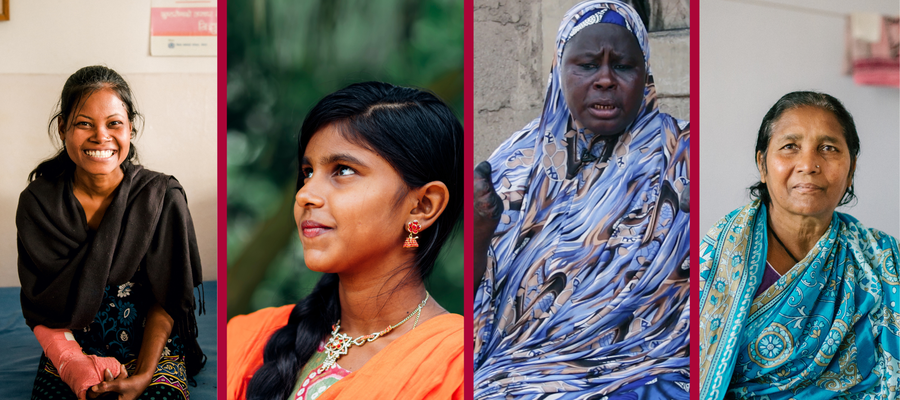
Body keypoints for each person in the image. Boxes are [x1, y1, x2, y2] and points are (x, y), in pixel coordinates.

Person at [472, 1, 690, 398]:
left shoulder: (681, 158)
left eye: (622, 66)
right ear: (559, 71)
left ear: (645, 74)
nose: (605, 80)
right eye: (588, 65)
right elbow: (470, 301)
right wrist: (479, 232)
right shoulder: (517, 163)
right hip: (514, 373)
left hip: (645, 371)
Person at [226, 81, 464, 400]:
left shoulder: (460, 362)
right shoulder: (247, 337)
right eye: (308, 172)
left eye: (343, 170)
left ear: (423, 205)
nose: (305, 194)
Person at [17, 65, 205, 400]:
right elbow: (42, 303)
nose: (100, 136)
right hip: (73, 350)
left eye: (114, 123)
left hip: (151, 350)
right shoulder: (39, 204)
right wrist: (73, 362)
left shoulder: (161, 198)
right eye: (83, 123)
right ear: (63, 128)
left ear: (131, 128)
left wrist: (144, 375)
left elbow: (169, 297)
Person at [698, 91, 900, 399]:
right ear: (762, 164)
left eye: (828, 148)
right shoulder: (718, 258)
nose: (808, 164)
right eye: (790, 146)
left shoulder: (880, 259)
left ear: (851, 169)